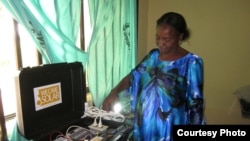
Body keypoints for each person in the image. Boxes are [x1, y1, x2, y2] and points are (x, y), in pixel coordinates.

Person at [103, 11, 206, 141]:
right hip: (143, 127)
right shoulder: (152, 56)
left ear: (180, 37)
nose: (160, 43)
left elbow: (196, 104)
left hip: (170, 130)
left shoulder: (191, 62)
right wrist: (114, 92)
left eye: (166, 39)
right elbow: (133, 76)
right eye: (157, 37)